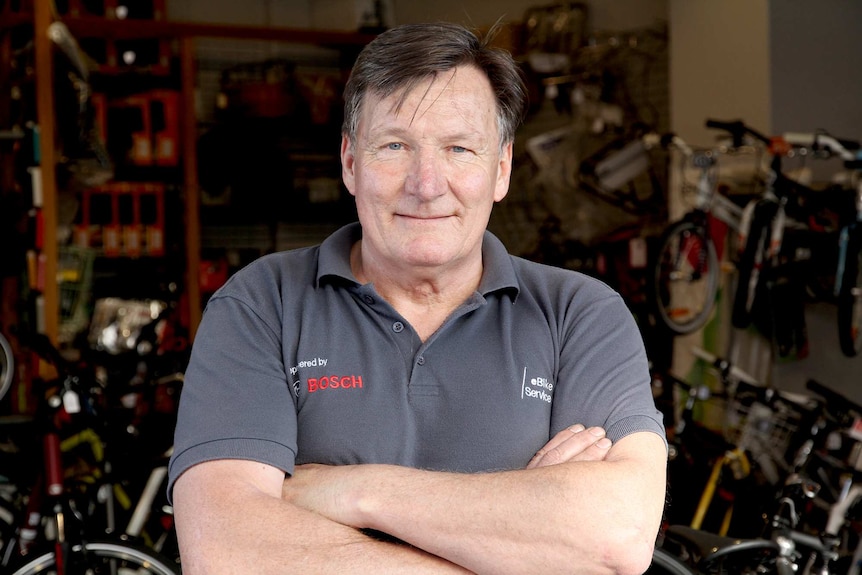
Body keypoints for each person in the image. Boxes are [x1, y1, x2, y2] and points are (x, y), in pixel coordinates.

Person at [169, 21, 667, 575]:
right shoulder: (262, 306)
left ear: (500, 168)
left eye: (458, 148)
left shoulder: (581, 315)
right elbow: (225, 553)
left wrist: (353, 491)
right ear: (350, 162)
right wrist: (523, 539)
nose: (426, 184)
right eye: (394, 146)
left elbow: (616, 535)